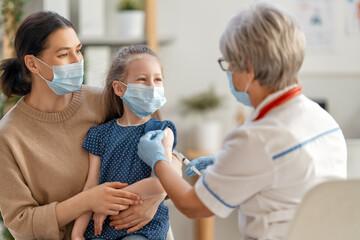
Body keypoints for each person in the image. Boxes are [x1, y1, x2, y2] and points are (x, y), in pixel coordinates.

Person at [136, 2, 347, 240]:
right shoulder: (322, 118)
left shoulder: (257, 137)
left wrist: (158, 161)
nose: (229, 72)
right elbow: (288, 169)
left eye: (229, 64)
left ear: (248, 69)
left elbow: (191, 205)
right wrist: (225, 162)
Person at [0, 12, 169, 240]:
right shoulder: (8, 136)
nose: (78, 61)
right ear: (32, 64)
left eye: (78, 50)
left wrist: (157, 196)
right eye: (64, 54)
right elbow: (20, 222)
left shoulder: (105, 101)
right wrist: (87, 201)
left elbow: (163, 141)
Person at [71, 45, 178, 240]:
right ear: (119, 88)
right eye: (142, 79)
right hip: (101, 229)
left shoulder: (162, 132)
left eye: (157, 79)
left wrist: (107, 200)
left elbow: (161, 183)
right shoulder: (99, 134)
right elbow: (90, 187)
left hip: (143, 228)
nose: (152, 87)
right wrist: (77, 232)